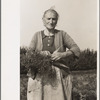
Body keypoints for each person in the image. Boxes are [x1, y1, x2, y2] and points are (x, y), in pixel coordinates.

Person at [27, 9, 80, 100]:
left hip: (59, 76)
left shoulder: (62, 34)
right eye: (48, 19)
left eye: (54, 19)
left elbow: (76, 49)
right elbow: (28, 54)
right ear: (43, 20)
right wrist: (40, 54)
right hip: (40, 76)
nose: (51, 22)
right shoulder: (37, 35)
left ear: (57, 21)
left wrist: (63, 55)